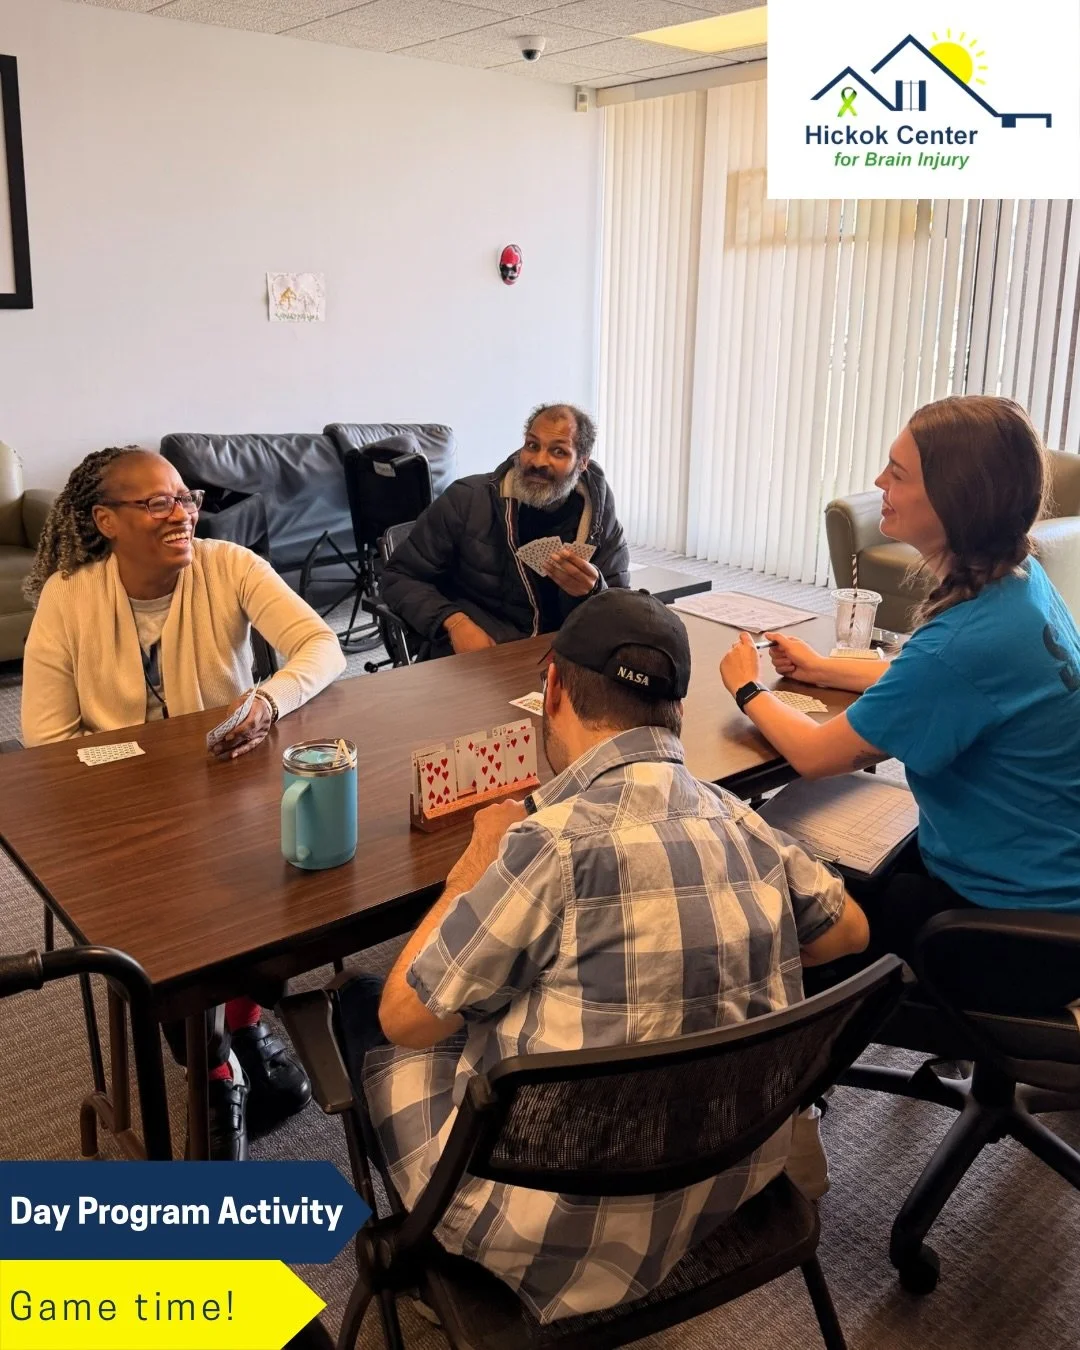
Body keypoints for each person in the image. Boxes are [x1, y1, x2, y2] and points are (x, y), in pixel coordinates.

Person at [336, 589, 869, 1323]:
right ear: (679, 709)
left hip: (547, 1226)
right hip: (722, 1175)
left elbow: (406, 1020)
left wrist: (472, 870)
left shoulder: (548, 844)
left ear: (551, 686)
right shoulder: (742, 821)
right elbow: (850, 933)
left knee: (364, 1007)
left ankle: (429, 1256)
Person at [21, 446, 348, 1159]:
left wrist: (264, 699)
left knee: (282, 890)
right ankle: (220, 1065)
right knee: (174, 927)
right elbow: (47, 741)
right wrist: (145, 773)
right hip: (118, 812)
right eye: (158, 503)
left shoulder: (228, 565)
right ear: (105, 520)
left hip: (229, 793)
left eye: (185, 499)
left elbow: (321, 647)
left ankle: (237, 1034)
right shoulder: (69, 597)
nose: (182, 514)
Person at [719, 395, 1080, 971]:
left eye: (899, 472)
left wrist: (746, 689)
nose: (879, 480)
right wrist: (819, 668)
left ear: (955, 498)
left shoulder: (967, 641)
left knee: (783, 916)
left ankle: (802, 1049)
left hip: (1008, 928)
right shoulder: (1020, 581)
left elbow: (814, 754)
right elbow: (931, 677)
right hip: (1048, 887)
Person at [380, 403, 631, 654]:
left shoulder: (600, 522)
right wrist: (455, 622)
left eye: (558, 452)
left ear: (582, 463)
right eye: (532, 445)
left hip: (563, 656)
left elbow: (619, 612)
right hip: (482, 655)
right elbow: (398, 577)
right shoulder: (466, 501)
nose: (538, 461)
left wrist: (594, 590)